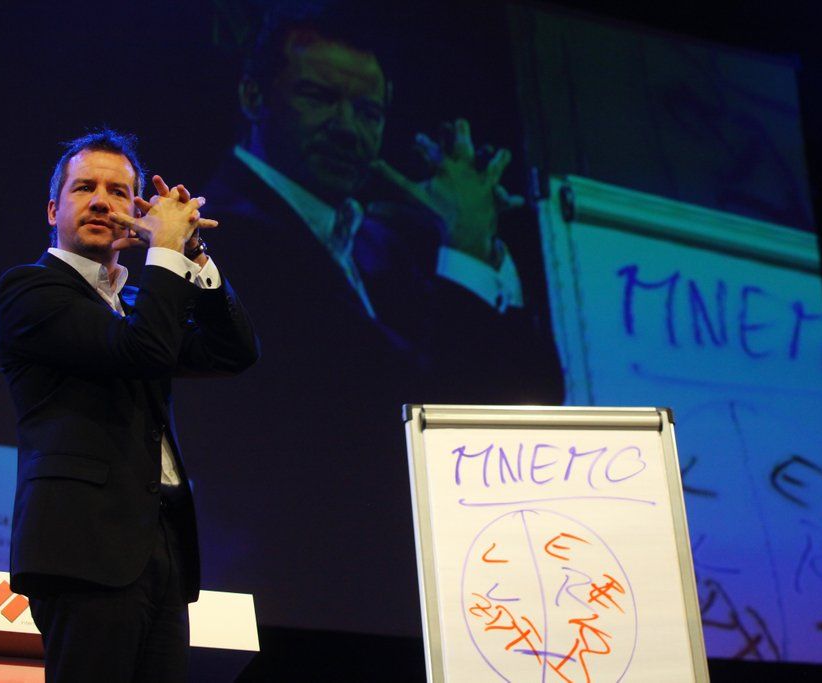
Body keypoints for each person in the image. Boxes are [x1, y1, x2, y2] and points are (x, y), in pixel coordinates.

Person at [187, 2, 564, 639]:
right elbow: (407, 416)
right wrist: (465, 245)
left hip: (400, 620)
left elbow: (534, 399)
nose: (348, 129)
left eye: (368, 111)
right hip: (286, 620)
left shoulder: (383, 244)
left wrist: (483, 247)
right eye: (319, 98)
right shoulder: (219, 239)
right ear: (253, 96)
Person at [0, 129, 258, 681]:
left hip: (160, 547)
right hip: (84, 548)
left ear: (135, 213)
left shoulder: (139, 303)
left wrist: (193, 252)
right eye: (83, 188)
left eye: (118, 192)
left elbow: (233, 352)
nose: (100, 201)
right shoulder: (31, 290)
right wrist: (164, 251)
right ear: (53, 210)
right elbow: (141, 351)